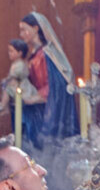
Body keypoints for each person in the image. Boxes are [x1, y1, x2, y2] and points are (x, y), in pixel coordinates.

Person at [19, 11, 79, 146]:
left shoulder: (47, 55)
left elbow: (55, 85)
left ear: (35, 28)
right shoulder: (34, 56)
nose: (21, 34)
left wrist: (33, 98)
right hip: (37, 112)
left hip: (49, 113)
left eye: (24, 29)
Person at [0, 38, 39, 120]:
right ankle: (5, 107)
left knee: (7, 89)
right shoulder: (14, 64)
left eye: (11, 51)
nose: (9, 53)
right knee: (6, 87)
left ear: (20, 53)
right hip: (16, 84)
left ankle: (3, 105)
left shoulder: (20, 64)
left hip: (21, 87)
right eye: (9, 51)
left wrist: (8, 79)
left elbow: (17, 75)